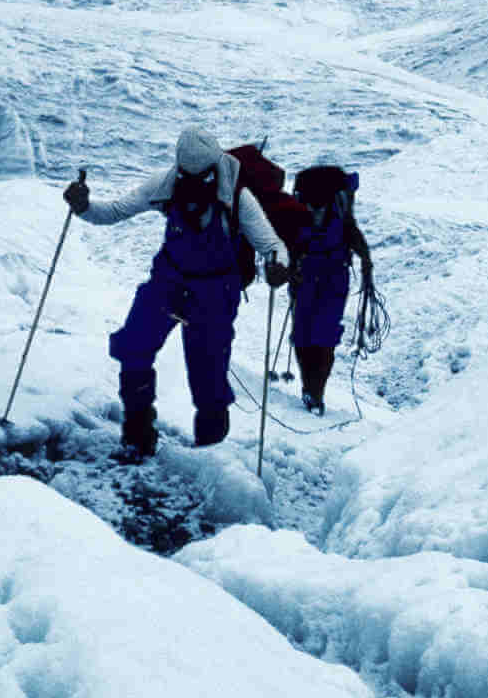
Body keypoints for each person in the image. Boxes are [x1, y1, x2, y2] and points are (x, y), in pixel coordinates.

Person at [64, 127, 292, 461]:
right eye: (188, 175)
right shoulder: (166, 183)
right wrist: (84, 207)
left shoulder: (238, 195)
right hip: (167, 283)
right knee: (133, 346)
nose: (195, 183)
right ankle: (137, 437)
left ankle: (210, 456)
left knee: (208, 377)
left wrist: (278, 265)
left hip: (215, 292)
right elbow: (113, 212)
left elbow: (271, 245)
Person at [286, 165, 371, 416]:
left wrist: (366, 261)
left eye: (317, 207)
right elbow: (288, 240)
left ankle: (316, 393)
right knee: (302, 334)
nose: (312, 211)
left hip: (334, 276)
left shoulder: (339, 206)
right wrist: (287, 265)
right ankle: (309, 388)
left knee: (324, 334)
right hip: (305, 276)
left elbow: (351, 231)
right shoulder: (298, 208)